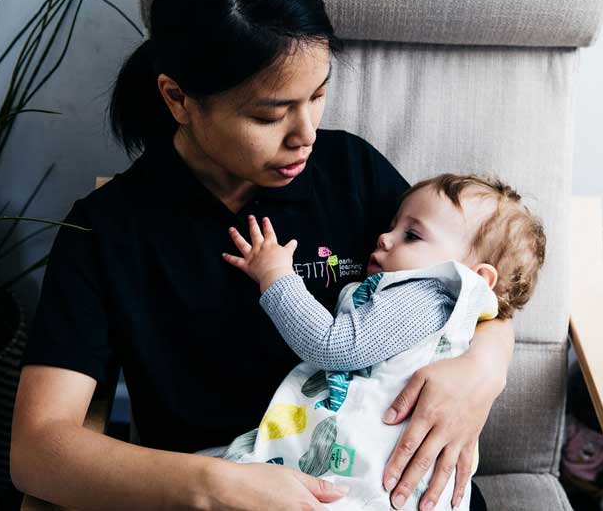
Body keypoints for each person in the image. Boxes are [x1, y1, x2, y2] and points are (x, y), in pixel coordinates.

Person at [11, 0, 516, 509]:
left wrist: (484, 370)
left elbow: (469, 279)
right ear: (178, 98)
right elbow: (37, 448)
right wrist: (211, 485)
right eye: (269, 115)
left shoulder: (353, 173)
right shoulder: (107, 232)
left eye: (319, 94)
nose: (306, 134)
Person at [219, 174, 546, 510]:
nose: (385, 238)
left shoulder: (428, 293)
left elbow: (335, 346)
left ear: (475, 278)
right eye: (393, 225)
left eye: (412, 235)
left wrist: (276, 276)